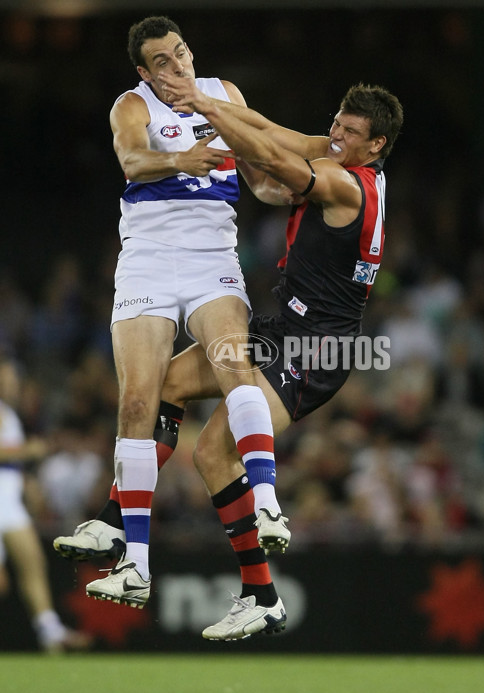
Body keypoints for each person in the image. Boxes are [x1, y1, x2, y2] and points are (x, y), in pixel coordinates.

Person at [55, 77, 404, 640]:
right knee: (164, 384)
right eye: (336, 123)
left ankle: (261, 592)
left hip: (317, 348)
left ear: (377, 145)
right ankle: (118, 522)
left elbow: (269, 151)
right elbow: (268, 155)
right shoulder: (349, 171)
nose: (335, 135)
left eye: (350, 132)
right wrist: (223, 123)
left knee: (215, 455)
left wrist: (205, 109)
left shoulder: (344, 183)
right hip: (286, 328)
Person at [56, 15, 311, 611]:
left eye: (182, 54)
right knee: (138, 402)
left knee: (233, 365)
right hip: (146, 260)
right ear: (144, 72)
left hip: (210, 259)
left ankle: (269, 501)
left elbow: (259, 176)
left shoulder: (225, 96)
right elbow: (132, 163)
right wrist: (181, 161)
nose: (177, 68)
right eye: (163, 62)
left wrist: (298, 191)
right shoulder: (131, 105)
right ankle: (135, 566)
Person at [0, 357, 92, 653]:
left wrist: (27, 484)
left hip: (10, 502)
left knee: (33, 563)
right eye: (7, 377)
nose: (12, 383)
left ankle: (49, 631)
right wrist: (30, 450)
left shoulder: (8, 413)